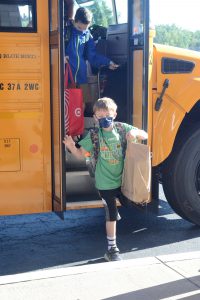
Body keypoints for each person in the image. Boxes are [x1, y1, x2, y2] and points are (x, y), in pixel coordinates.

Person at [63, 97, 148, 262]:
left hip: (123, 179)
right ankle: (112, 249)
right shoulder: (94, 135)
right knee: (111, 215)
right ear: (95, 118)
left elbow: (145, 134)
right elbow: (81, 155)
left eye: (107, 115)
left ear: (114, 114)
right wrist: (71, 146)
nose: (104, 119)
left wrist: (135, 133)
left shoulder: (122, 129)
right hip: (105, 183)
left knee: (132, 204)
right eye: (100, 117)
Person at [64, 7, 118, 86]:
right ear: (75, 20)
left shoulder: (87, 35)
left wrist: (108, 62)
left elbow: (92, 57)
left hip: (81, 79)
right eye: (79, 27)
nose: (82, 31)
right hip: (66, 77)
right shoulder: (66, 32)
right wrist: (61, 56)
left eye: (85, 29)